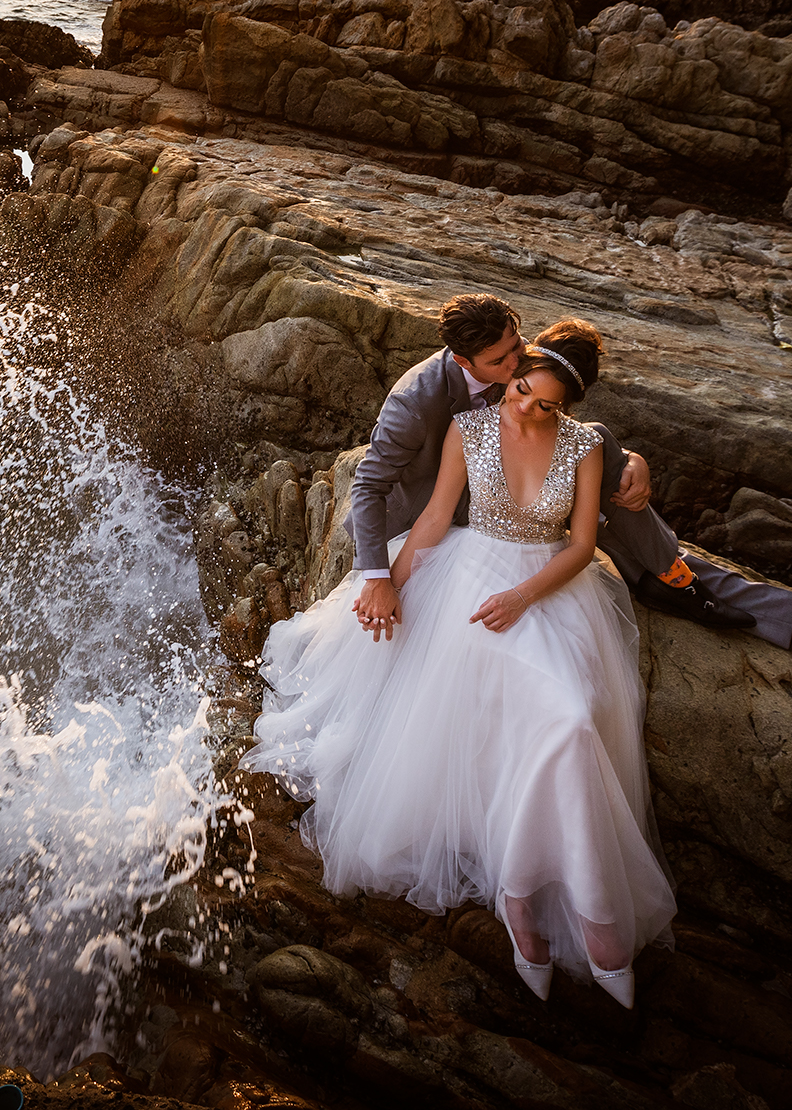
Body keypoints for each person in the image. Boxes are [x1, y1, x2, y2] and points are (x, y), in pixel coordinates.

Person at [246, 321, 674, 1007]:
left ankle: (555, 900)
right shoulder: (466, 428)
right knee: (511, 714)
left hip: (547, 590)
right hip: (466, 584)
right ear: (515, 369)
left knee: (569, 722)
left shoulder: (585, 447)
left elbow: (583, 543)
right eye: (521, 388)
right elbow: (437, 517)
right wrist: (384, 584)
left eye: (546, 402)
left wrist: (522, 596)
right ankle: (522, 908)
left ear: (569, 405)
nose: (525, 406)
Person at [349, 296, 792, 653]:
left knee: (600, 456)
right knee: (605, 477)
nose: (520, 360)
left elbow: (549, 410)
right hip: (448, 504)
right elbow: (368, 486)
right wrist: (378, 578)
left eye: (519, 344)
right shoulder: (416, 402)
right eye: (504, 359)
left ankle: (767, 605)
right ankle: (674, 578)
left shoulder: (514, 363)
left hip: (515, 483)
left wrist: (631, 464)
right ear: (465, 361)